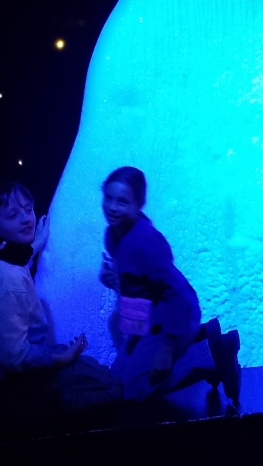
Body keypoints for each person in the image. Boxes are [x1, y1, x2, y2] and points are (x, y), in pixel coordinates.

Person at [0, 182, 122, 419]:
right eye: (13, 215)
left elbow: (17, 258)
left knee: (91, 369)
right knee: (107, 386)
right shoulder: (8, 280)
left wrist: (37, 243)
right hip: (2, 380)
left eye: (28, 209)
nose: (26, 219)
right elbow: (12, 356)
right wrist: (60, 359)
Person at [99, 167, 242, 405]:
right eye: (109, 198)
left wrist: (165, 351)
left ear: (138, 204)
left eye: (122, 201)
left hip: (176, 315)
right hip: (150, 318)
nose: (112, 207)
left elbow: (176, 297)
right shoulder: (112, 235)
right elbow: (139, 283)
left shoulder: (146, 240)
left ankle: (213, 353)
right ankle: (203, 338)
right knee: (117, 381)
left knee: (133, 391)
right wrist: (116, 282)